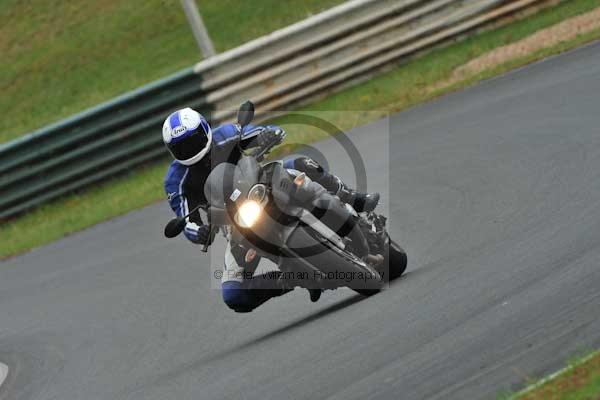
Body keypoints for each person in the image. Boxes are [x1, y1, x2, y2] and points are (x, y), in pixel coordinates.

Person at [163, 107, 379, 312]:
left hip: (262, 183)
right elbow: (185, 219)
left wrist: (269, 134)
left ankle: (351, 198)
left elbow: (258, 132)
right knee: (233, 295)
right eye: (182, 147)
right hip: (235, 221)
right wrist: (198, 232)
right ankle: (293, 279)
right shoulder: (175, 180)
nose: (190, 149)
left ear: (204, 130)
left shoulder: (226, 133)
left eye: (194, 141)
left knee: (299, 164)